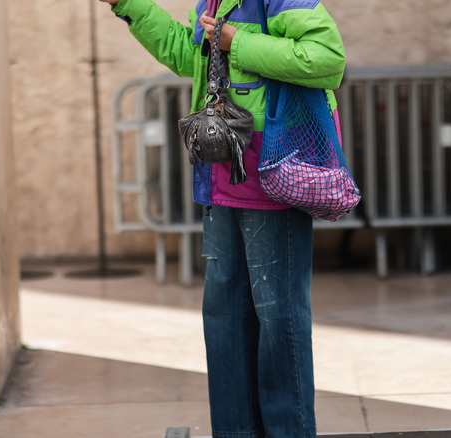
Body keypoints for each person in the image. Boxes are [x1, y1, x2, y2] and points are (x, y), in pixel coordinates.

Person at [98, 0, 346, 437]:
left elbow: (327, 59)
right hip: (219, 180)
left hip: (273, 180)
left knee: (278, 319)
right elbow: (185, 54)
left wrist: (239, 42)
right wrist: (128, 4)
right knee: (224, 320)